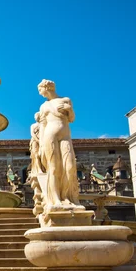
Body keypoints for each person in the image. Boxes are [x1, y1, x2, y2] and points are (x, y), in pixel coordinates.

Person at [37, 79, 80, 211]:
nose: (40, 93)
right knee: (53, 168)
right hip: (49, 136)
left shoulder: (66, 100)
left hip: (65, 135)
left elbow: (72, 118)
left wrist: (69, 109)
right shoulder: (44, 106)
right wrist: (42, 145)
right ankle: (55, 199)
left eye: (40, 90)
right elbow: (43, 125)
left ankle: (67, 197)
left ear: (47, 87)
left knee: (70, 167)